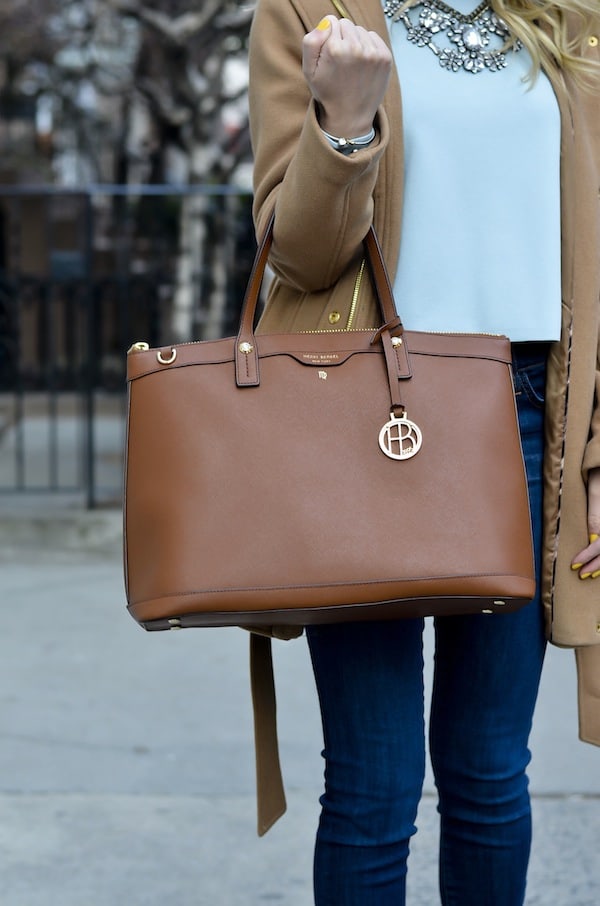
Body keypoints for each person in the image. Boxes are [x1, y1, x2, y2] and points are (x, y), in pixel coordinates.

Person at [247, 1, 600, 903]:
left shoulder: (572, 20)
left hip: (526, 410)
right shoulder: (316, 15)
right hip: (360, 409)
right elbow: (297, 257)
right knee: (374, 779)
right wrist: (348, 125)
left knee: (490, 771)